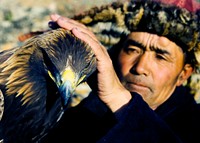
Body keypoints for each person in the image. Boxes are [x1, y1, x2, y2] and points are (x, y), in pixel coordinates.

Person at [41, 0, 200, 143]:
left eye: (160, 57)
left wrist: (117, 98)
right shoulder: (83, 117)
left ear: (183, 74)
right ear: (116, 54)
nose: (140, 68)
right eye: (133, 50)